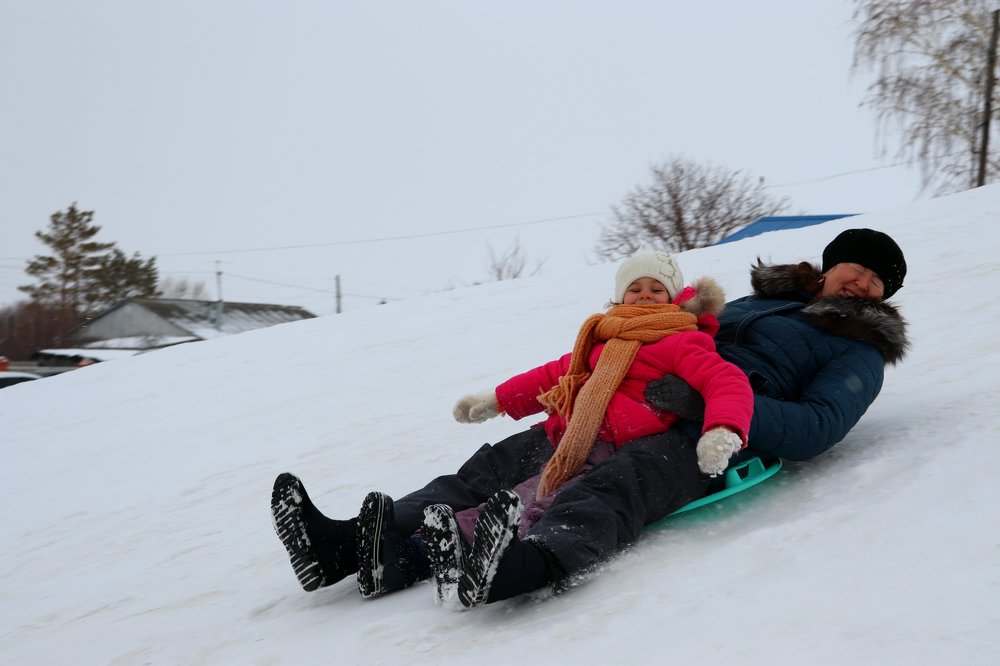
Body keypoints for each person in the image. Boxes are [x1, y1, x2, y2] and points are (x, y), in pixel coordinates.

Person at [271, 227, 909, 609]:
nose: (862, 282)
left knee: (611, 487)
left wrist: (708, 408)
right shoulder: (757, 302)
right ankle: (354, 545)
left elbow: (816, 427)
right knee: (496, 466)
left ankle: (528, 563)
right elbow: (676, 330)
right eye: (856, 267)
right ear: (831, 265)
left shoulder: (859, 352)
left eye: (877, 280)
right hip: (613, 407)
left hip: (709, 434)